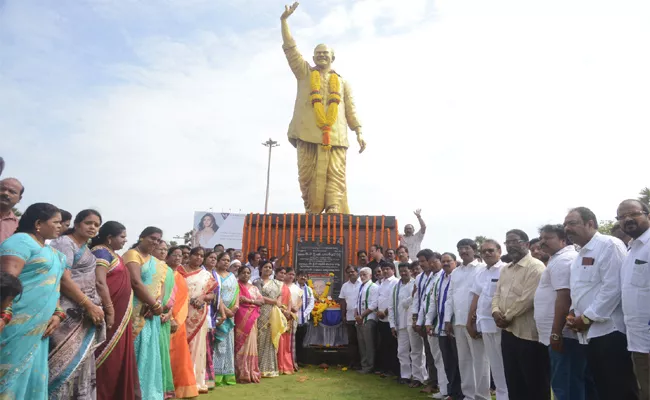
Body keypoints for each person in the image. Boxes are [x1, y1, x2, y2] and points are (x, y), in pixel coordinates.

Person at [281, 2, 366, 214]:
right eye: (317, 53)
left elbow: (351, 109)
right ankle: (311, 209)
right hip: (307, 133)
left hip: (335, 136)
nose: (321, 56)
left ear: (332, 57)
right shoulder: (305, 74)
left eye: (325, 53)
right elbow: (291, 50)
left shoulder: (343, 82)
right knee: (307, 175)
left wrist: (359, 131)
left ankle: (334, 208)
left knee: (336, 173)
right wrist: (284, 21)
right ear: (312, 58)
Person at [564, 207, 639, 399]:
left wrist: (587, 318)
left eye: (572, 223)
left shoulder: (608, 245)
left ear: (590, 223)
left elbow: (613, 288)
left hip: (609, 332)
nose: (567, 228)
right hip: (589, 333)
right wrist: (573, 313)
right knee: (601, 388)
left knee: (618, 388)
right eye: (565, 224)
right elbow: (580, 289)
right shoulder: (579, 254)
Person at [0, 203, 65, 400]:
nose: (60, 226)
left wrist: (57, 313)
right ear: (38, 223)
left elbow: (54, 286)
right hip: (15, 324)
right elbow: (5, 285)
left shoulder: (53, 253)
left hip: (40, 329)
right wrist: (3, 316)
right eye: (56, 222)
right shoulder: (20, 243)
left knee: (31, 377)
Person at [48, 209, 106, 399]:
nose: (93, 227)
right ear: (77, 224)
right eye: (89, 223)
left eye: (96, 225)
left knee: (81, 361)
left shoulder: (87, 250)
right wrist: (88, 304)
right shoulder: (65, 243)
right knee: (61, 363)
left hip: (84, 314)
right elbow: (63, 279)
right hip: (66, 312)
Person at [534, 224, 590, 400]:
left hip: (563, 334)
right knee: (568, 383)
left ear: (562, 239)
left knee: (565, 385)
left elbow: (564, 297)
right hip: (559, 333)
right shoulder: (557, 259)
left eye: (548, 238)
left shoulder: (563, 260)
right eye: (541, 238)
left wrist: (557, 333)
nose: (542, 242)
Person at [491, 229, 549, 400]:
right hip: (508, 333)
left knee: (535, 383)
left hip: (528, 334)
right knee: (513, 380)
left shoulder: (536, 267)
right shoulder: (506, 269)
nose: (510, 245)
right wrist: (495, 312)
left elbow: (527, 299)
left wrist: (506, 317)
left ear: (527, 244)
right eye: (507, 242)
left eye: (515, 241)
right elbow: (497, 294)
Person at [91, 221, 141, 400]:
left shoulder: (115, 255)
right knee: (106, 356)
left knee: (117, 357)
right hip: (110, 313)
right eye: (122, 237)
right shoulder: (101, 252)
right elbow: (99, 281)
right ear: (109, 238)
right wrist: (109, 309)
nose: (125, 240)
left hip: (121, 315)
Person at [444, 239, 490, 400]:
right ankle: (468, 395)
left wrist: (475, 319)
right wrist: (447, 319)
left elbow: (484, 295)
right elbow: (450, 296)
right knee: (464, 361)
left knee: (480, 360)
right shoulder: (456, 272)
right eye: (460, 248)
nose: (463, 251)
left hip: (475, 322)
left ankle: (482, 396)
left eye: (466, 248)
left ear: (474, 250)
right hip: (458, 322)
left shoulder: (482, 269)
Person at [124, 226, 166, 398]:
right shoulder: (132, 255)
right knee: (135, 350)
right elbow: (135, 281)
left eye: (158, 240)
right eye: (152, 238)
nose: (155, 242)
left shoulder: (157, 262)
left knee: (149, 352)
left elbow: (161, 285)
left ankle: (148, 392)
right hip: (135, 311)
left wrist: (157, 303)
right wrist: (154, 305)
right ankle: (133, 392)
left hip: (151, 313)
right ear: (141, 237)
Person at [617, 199, 650, 400]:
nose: (627, 219)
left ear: (648, 215)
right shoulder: (631, 250)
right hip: (637, 340)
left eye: (633, 214)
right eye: (621, 217)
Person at [468, 240, 508, 400]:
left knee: (505, 365)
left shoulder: (505, 269)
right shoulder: (481, 273)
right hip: (484, 324)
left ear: (499, 251)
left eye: (491, 250)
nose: (487, 254)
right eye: (484, 251)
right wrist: (469, 321)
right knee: (495, 366)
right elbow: (475, 297)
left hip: (501, 325)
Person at [177, 246, 219, 394]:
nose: (199, 258)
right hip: (180, 313)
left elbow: (211, 295)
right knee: (180, 346)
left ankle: (194, 381)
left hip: (198, 315)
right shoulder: (178, 271)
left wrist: (202, 297)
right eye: (196, 255)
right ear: (190, 256)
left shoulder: (205, 275)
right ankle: (180, 380)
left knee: (196, 348)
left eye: (202, 256)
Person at [426, 252, 461, 400]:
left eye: (449, 261)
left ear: (455, 262)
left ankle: (461, 393)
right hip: (441, 327)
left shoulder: (458, 277)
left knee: (459, 361)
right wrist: (428, 321)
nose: (446, 263)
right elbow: (434, 302)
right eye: (444, 261)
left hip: (455, 326)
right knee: (448, 362)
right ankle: (451, 392)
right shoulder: (440, 279)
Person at [166, 246, 199, 399]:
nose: (178, 258)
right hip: (164, 319)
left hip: (179, 321)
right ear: (167, 256)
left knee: (179, 355)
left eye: (180, 256)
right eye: (175, 255)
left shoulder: (179, 276)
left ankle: (178, 387)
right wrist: (170, 317)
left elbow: (183, 299)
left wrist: (177, 319)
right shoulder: (163, 273)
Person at [412, 249, 440, 393]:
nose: (422, 264)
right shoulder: (420, 277)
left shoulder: (438, 276)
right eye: (420, 262)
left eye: (423, 261)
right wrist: (416, 319)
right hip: (424, 319)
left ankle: (439, 383)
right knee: (429, 352)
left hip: (436, 319)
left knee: (438, 354)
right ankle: (433, 382)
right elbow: (418, 299)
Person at [152, 240, 176, 399]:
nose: (162, 252)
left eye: (165, 249)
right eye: (159, 249)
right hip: (150, 315)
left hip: (165, 317)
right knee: (151, 353)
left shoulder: (168, 271)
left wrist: (169, 314)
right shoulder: (148, 266)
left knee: (163, 353)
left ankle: (163, 389)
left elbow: (173, 295)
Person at [254, 260, 286, 378]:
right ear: (261, 269)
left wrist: (276, 302)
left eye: (270, 267)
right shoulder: (256, 282)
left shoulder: (277, 283)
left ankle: (269, 368)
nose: (268, 269)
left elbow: (280, 299)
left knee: (270, 339)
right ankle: (257, 367)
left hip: (272, 313)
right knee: (259, 338)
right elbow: (257, 296)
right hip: (259, 312)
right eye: (265, 267)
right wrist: (273, 301)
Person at [213, 252, 239, 386]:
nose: (226, 262)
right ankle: (216, 376)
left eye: (228, 260)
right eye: (223, 260)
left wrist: (235, 307)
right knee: (218, 345)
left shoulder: (232, 276)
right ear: (217, 261)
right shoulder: (213, 275)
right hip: (217, 314)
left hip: (230, 316)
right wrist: (225, 311)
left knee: (229, 345)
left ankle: (227, 375)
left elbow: (237, 293)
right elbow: (215, 294)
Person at [235, 265, 263, 383]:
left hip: (252, 320)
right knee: (240, 344)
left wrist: (249, 301)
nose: (245, 275)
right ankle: (240, 372)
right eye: (243, 272)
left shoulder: (254, 288)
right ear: (239, 273)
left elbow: (261, 301)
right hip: (239, 318)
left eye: (248, 273)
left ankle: (250, 371)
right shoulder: (235, 285)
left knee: (251, 343)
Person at [389, 263, 415, 384]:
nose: (403, 273)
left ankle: (418, 377)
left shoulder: (415, 284)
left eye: (405, 271)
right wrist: (392, 325)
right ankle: (405, 375)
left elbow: (413, 301)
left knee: (416, 351)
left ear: (410, 271)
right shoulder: (396, 287)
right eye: (401, 271)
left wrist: (407, 300)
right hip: (400, 323)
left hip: (413, 322)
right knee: (402, 351)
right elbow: (391, 307)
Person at [377, 260, 399, 377]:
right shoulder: (382, 282)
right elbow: (380, 298)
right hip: (381, 319)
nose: (385, 271)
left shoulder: (395, 282)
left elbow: (393, 299)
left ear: (393, 270)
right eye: (383, 269)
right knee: (384, 345)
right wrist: (378, 312)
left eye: (387, 269)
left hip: (390, 319)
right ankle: (385, 368)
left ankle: (393, 370)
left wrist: (385, 312)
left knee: (392, 346)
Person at [356, 266, 379, 374]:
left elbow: (373, 304)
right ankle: (364, 365)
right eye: (360, 275)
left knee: (369, 344)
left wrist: (362, 316)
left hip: (368, 319)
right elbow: (358, 303)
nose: (362, 276)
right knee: (362, 344)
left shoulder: (374, 286)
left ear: (370, 275)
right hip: (360, 319)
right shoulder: (361, 287)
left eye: (364, 274)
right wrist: (357, 315)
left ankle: (369, 366)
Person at [339, 265, 362, 370]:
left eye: (352, 272)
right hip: (349, 317)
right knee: (352, 341)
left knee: (361, 341)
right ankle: (353, 363)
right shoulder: (345, 286)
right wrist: (343, 315)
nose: (350, 274)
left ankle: (362, 363)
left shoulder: (362, 284)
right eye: (348, 272)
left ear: (357, 272)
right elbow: (342, 301)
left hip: (361, 318)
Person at [275, 266, 296, 374]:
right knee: (277, 340)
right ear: (276, 273)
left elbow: (290, 300)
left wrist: (288, 311)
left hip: (286, 316)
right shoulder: (273, 284)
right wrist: (282, 311)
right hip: (276, 315)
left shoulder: (285, 287)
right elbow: (275, 300)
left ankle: (285, 365)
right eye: (280, 273)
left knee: (285, 341)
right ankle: (277, 365)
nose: (282, 275)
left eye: (284, 273)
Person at [285, 268, 302, 369]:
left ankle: (291, 362)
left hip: (293, 316)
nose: (291, 276)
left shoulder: (297, 288)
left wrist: (297, 307)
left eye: (293, 274)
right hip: (281, 314)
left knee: (292, 340)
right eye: (289, 274)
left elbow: (300, 301)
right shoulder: (280, 286)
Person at [0, 177, 23, 243]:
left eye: (12, 192)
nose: (6, 193)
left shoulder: (19, 227)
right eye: (2, 189)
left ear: (19, 199)